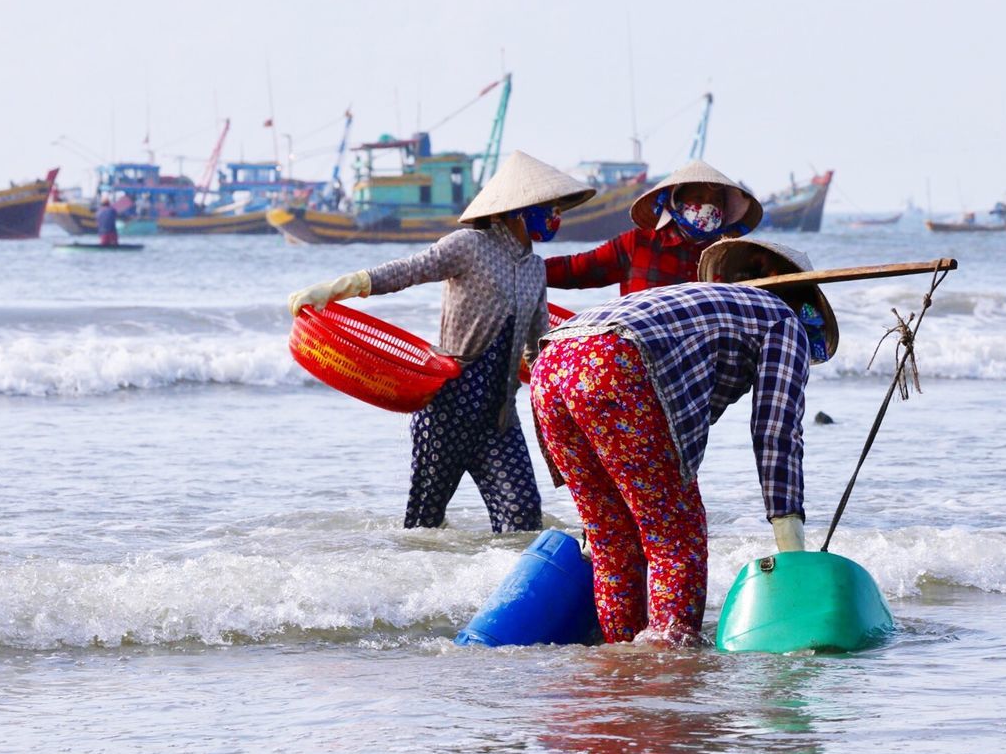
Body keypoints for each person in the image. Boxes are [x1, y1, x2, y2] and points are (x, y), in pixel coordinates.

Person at [529, 237, 838, 646]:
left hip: (551, 363)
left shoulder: (703, 302)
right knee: (675, 534)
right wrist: (792, 550)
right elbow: (776, 432)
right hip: (613, 362)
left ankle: (620, 657)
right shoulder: (782, 320)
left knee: (611, 539)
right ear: (803, 303)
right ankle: (670, 658)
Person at [287, 152, 595, 533]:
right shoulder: (469, 245)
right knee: (424, 526)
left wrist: (569, 393)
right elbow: (411, 270)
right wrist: (340, 288)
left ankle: (491, 582)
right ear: (520, 210)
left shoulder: (534, 269)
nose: (555, 217)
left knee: (522, 519)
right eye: (548, 208)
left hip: (499, 418)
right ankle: (419, 586)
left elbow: (538, 350)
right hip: (448, 407)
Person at [545, 159, 762, 295]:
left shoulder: (726, 258)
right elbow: (577, 269)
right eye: (698, 197)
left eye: (717, 201)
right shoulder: (637, 244)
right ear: (675, 203)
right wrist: (525, 271)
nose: (708, 206)